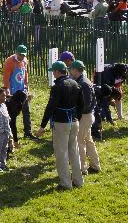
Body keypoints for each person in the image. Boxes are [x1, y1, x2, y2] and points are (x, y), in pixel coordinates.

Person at [35, 61, 82, 190]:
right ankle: (78, 181)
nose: (53, 74)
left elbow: (50, 107)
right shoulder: (75, 83)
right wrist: (77, 117)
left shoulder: (57, 87)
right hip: (74, 121)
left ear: (57, 72)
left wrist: (42, 126)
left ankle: (66, 183)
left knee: (61, 153)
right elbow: (81, 103)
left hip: (61, 123)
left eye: (53, 72)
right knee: (74, 151)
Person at [70, 60, 100, 175]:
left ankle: (82, 169)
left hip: (84, 116)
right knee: (88, 140)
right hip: (87, 115)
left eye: (71, 69)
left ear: (75, 70)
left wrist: (77, 115)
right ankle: (95, 165)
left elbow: (85, 103)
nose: (70, 71)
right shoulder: (84, 81)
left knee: (80, 142)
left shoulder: (83, 83)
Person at [2, 44, 36, 140]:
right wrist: (7, 92)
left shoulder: (25, 60)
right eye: (20, 55)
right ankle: (12, 133)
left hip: (22, 91)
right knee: (13, 114)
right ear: (16, 53)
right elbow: (6, 78)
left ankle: (28, 132)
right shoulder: (9, 61)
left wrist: (27, 88)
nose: (22, 57)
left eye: (24, 55)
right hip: (12, 93)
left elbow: (25, 75)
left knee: (26, 111)